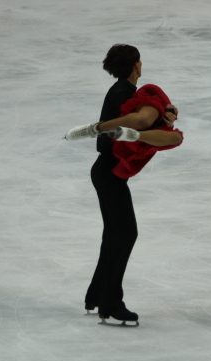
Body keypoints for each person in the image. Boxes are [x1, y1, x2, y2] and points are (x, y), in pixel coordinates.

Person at [64, 44, 183, 325]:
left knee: (115, 235)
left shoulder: (122, 91)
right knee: (126, 233)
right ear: (137, 66)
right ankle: (111, 302)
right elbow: (138, 122)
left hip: (106, 171)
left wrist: (166, 114)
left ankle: (97, 295)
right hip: (109, 172)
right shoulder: (124, 94)